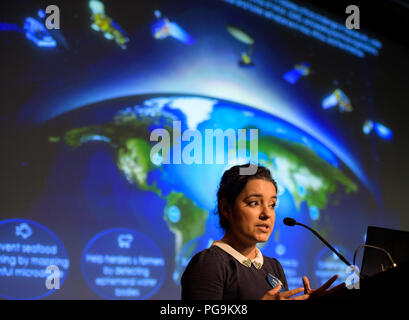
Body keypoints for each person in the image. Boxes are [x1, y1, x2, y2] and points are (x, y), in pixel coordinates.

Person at [181, 163, 344, 300]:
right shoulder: (209, 263)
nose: (267, 214)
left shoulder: (273, 267)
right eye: (254, 203)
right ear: (226, 209)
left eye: (272, 205)